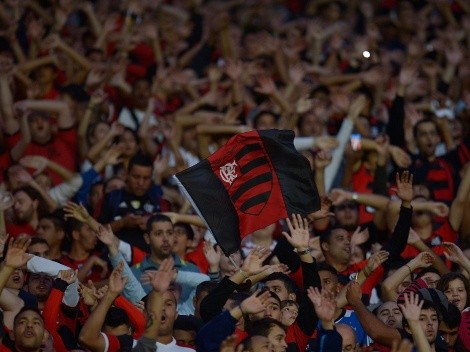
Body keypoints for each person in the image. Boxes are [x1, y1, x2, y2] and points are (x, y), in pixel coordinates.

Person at [98, 152, 168, 251]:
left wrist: (152, 225)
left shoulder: (157, 198)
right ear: (127, 174)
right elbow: (96, 232)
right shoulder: (112, 197)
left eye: (146, 178)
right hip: (116, 262)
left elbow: (169, 232)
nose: (141, 183)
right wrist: (122, 223)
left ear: (151, 177)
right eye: (136, 177)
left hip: (151, 263)